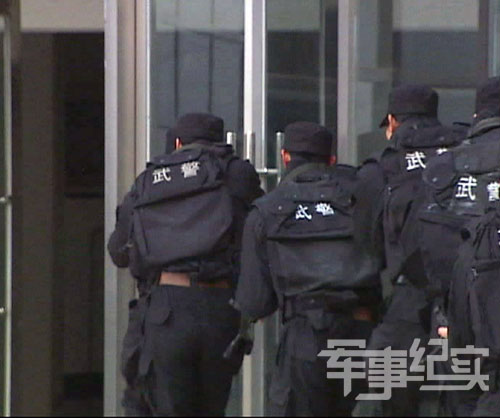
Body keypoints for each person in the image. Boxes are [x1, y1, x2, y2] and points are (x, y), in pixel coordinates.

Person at [109, 113, 263, 416]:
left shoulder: (151, 178)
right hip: (220, 307)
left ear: (177, 143)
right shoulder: (236, 174)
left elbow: (119, 251)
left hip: (166, 310)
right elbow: (259, 232)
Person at [235, 121, 383, 416]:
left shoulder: (267, 210)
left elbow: (255, 301)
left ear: (285, 157)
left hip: (305, 338)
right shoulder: (364, 202)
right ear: (332, 159)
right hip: (363, 334)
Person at [362, 85, 464, 416]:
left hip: (406, 299)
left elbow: (367, 244)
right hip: (463, 295)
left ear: (393, 121)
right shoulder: (464, 155)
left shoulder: (383, 167)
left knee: (394, 396)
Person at [420, 76, 500, 416]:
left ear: (477, 114)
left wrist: (447, 308)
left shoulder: (444, 167)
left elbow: (428, 246)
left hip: (459, 321)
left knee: (463, 401)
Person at [107, 127, 176, 416]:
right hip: (215, 307)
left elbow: (118, 252)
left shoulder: (148, 186)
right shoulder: (223, 185)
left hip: (157, 308)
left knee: (142, 397)